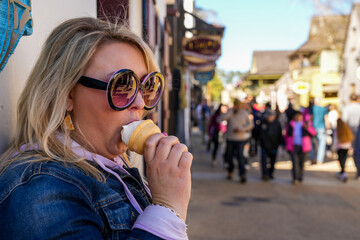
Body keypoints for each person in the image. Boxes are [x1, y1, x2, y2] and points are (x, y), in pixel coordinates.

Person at [0, 17, 192, 239]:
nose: (140, 103)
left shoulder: (111, 168)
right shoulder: (39, 189)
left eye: (148, 86)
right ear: (67, 95)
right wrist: (168, 208)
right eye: (123, 85)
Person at [218, 99, 254, 183]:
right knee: (229, 156)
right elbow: (220, 119)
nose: (237, 107)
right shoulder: (230, 113)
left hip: (240, 139)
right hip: (230, 138)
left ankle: (242, 174)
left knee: (240, 156)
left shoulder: (245, 113)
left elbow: (250, 125)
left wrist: (241, 129)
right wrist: (230, 112)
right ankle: (230, 171)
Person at [285, 111, 316, 185]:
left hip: (304, 147)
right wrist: (286, 145)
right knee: (294, 162)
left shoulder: (305, 124)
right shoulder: (290, 124)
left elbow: (313, 133)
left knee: (301, 163)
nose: (298, 117)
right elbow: (286, 135)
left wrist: (307, 127)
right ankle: (295, 178)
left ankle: (300, 177)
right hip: (294, 146)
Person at [259, 109, 284, 181]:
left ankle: (270, 173)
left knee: (272, 161)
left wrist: (281, 143)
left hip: (274, 146)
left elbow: (280, 134)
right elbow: (259, 134)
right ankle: (265, 174)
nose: (270, 118)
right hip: (264, 146)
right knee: (264, 161)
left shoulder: (277, 123)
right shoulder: (263, 123)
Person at [335, 118, 354, 182]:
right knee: (344, 160)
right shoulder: (347, 129)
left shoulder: (337, 130)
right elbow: (350, 138)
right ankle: (342, 172)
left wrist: (333, 148)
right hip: (346, 147)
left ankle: (342, 172)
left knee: (341, 160)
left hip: (340, 147)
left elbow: (335, 140)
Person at [311, 98, 329, 164]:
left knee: (312, 144)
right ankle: (319, 160)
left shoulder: (312, 109)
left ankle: (312, 158)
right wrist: (328, 128)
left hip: (313, 128)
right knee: (321, 144)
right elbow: (326, 119)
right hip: (321, 128)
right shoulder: (323, 109)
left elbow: (310, 118)